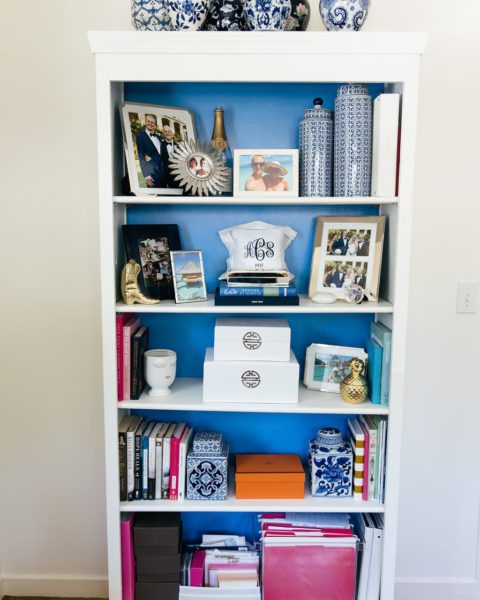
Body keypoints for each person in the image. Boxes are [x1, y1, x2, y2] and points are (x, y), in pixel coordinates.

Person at [135, 114, 165, 188]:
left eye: (152, 122)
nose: (150, 123)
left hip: (163, 172)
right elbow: (141, 156)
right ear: (145, 122)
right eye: (148, 121)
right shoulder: (141, 137)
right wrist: (146, 175)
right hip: (152, 173)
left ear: (155, 125)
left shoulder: (159, 137)